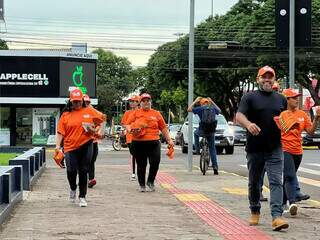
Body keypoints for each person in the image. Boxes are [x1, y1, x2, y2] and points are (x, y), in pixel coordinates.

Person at [236, 66, 289, 231]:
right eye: (263, 77)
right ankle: (254, 209)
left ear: (274, 80)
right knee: (255, 182)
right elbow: (239, 116)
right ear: (258, 79)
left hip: (275, 147)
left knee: (276, 182)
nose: (267, 80)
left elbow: (284, 120)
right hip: (255, 148)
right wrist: (249, 124)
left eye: (270, 77)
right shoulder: (249, 97)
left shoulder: (281, 99)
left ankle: (277, 217)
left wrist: (288, 126)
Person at [275, 88, 320, 216]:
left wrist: (316, 118)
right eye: (294, 97)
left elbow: (310, 131)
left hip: (298, 151)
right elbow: (281, 131)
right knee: (289, 176)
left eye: (297, 97)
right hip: (285, 149)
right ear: (287, 100)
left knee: (289, 177)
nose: (297, 100)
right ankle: (292, 202)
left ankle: (282, 203)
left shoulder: (302, 114)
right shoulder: (282, 115)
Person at [55, 89, 103, 207]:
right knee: (71, 171)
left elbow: (102, 120)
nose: (77, 104)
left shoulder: (90, 111)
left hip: (87, 144)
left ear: (82, 100)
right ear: (71, 101)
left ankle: (82, 196)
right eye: (75, 101)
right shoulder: (65, 115)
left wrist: (96, 131)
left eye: (79, 101)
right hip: (70, 147)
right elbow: (60, 132)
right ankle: (72, 188)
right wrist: (57, 147)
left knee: (84, 170)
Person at [126, 93, 174, 192]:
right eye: (144, 101)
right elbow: (128, 124)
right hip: (139, 143)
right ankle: (142, 185)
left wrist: (169, 139)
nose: (146, 102)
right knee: (141, 164)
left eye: (148, 100)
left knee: (155, 162)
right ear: (140, 103)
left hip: (154, 142)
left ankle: (150, 181)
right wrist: (131, 130)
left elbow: (163, 127)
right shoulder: (135, 113)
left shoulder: (156, 113)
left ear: (150, 102)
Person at [187, 97, 221, 175]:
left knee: (195, 133)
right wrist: (212, 101)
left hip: (202, 130)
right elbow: (219, 110)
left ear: (201, 103)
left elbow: (188, 109)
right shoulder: (213, 109)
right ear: (208, 103)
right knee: (212, 148)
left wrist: (195, 101)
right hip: (211, 131)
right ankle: (215, 167)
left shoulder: (200, 109)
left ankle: (197, 150)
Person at [83, 94, 106, 188]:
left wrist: (100, 131)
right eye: (84, 102)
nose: (86, 104)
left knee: (92, 160)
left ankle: (91, 179)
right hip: (81, 142)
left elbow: (103, 119)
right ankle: (85, 179)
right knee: (83, 162)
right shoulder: (76, 112)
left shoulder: (94, 112)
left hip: (93, 141)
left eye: (88, 102)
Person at [121, 95, 140, 181]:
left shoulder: (141, 112)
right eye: (131, 101)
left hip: (140, 137)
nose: (132, 103)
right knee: (133, 155)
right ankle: (133, 172)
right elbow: (123, 123)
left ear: (138, 102)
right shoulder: (127, 113)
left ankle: (140, 172)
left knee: (140, 155)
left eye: (134, 101)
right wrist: (128, 127)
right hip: (130, 137)